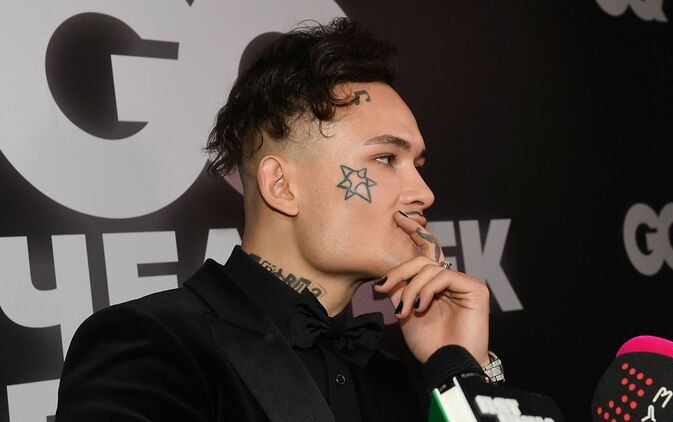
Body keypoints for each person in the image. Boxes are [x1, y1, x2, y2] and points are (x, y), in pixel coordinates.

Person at [55, 17, 500, 421]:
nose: (424, 193)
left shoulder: (397, 375)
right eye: (386, 158)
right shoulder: (154, 346)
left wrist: (461, 368)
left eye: (417, 165)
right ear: (282, 186)